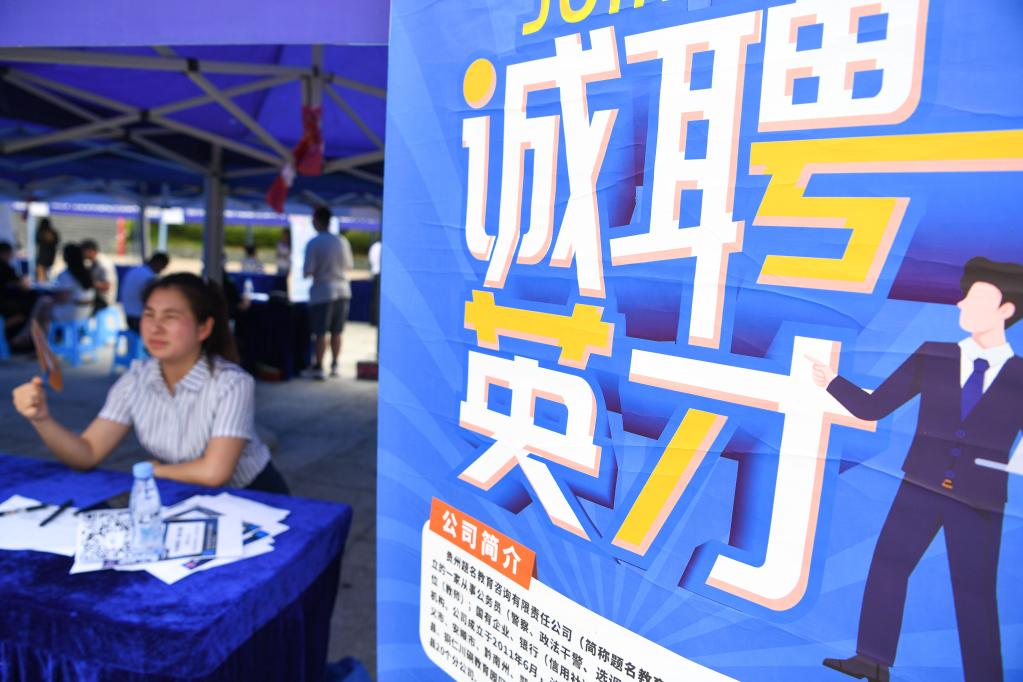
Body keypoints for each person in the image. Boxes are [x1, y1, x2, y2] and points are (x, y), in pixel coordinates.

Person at [813, 256, 1023, 682]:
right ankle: (871, 660)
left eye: (976, 299)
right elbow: (874, 406)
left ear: (1006, 309)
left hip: (980, 495)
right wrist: (832, 381)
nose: (962, 304)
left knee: (976, 592)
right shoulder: (934, 355)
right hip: (919, 483)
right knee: (888, 564)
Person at [11, 273, 290, 494]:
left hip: (254, 497)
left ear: (204, 328)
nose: (156, 327)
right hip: (184, 494)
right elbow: (87, 452)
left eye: (171, 316)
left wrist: (153, 471)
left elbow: (215, 472)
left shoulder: (232, 383)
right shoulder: (135, 379)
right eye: (149, 314)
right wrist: (41, 418)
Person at [302, 206, 352, 380]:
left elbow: (307, 271)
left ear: (316, 220)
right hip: (343, 290)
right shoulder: (342, 241)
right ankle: (335, 365)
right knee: (337, 331)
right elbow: (349, 266)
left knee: (320, 332)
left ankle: (319, 366)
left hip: (322, 292)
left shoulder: (314, 243)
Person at [121, 252, 169, 332]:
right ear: (158, 263)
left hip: (128, 314)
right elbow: (149, 298)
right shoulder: (149, 277)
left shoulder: (135, 270)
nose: (162, 270)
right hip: (139, 316)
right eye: (163, 267)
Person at [81, 239, 117, 313]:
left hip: (103, 302)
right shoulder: (94, 262)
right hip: (98, 299)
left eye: (83, 252)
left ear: (89, 251)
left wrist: (88, 283)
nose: (82, 255)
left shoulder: (103, 264)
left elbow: (107, 286)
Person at [34, 217, 59, 282]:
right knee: (46, 274)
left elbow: (36, 241)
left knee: (42, 274)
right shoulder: (53, 233)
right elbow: (57, 242)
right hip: (50, 256)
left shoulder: (41, 233)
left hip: (43, 256)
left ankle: (42, 283)